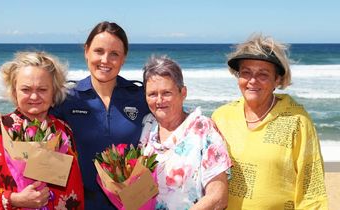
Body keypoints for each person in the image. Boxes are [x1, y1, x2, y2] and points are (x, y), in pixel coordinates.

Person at [0, 21, 149, 210]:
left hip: (132, 205)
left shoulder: (141, 97)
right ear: (86, 51)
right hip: (80, 204)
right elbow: (31, 114)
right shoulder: (66, 98)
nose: (105, 60)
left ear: (124, 57)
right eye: (99, 51)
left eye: (114, 54)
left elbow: (170, 123)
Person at [211, 34, 328, 209]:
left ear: (278, 79)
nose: (252, 80)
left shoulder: (297, 121)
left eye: (263, 74)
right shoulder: (220, 117)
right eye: (246, 72)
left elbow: (311, 188)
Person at [0, 51, 84, 209]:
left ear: (54, 92)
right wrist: (13, 199)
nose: (34, 97)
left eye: (42, 89)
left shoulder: (63, 131)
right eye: (26, 90)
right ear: (14, 92)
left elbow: (75, 192)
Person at [139, 55, 232, 210]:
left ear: (183, 93)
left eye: (167, 92)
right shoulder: (147, 126)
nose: (159, 100)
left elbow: (218, 197)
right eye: (152, 94)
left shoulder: (203, 129)